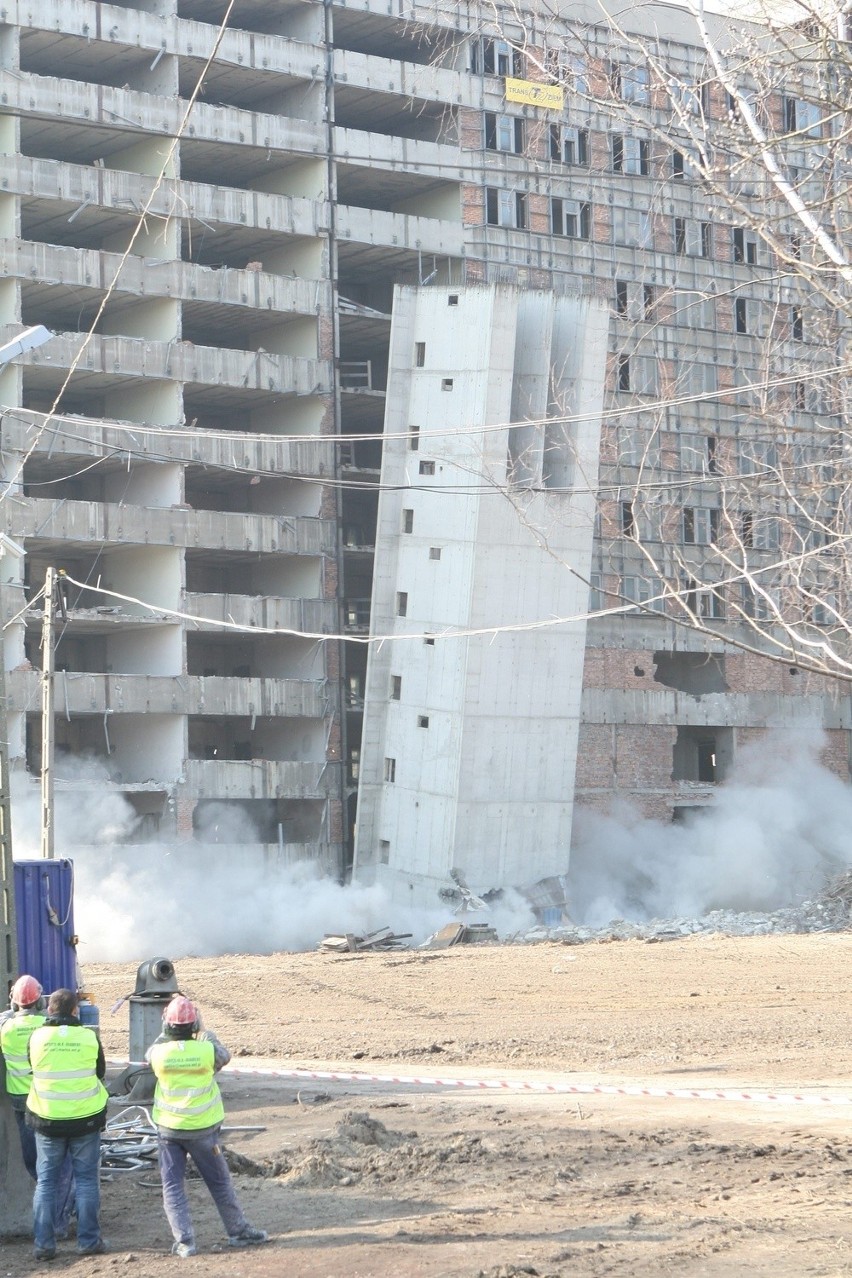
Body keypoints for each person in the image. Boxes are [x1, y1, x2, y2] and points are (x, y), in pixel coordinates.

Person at [146, 994, 268, 1258]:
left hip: (169, 1131)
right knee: (220, 1183)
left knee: (173, 1186)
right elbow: (223, 1055)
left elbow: (152, 1050)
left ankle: (184, 1242)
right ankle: (238, 1231)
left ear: (167, 1025)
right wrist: (206, 1032)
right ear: (194, 1024)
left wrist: (166, 1029)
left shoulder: (159, 1054)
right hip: (203, 1131)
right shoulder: (206, 1051)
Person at [26, 988, 108, 1261]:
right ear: (76, 1011)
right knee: (86, 1181)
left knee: (46, 1182)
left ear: (49, 1010)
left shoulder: (36, 1037)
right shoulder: (89, 1037)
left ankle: (44, 1245)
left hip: (47, 1119)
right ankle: (88, 1241)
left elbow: (32, 1066)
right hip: (85, 1120)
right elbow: (100, 1073)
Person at [0, 976, 75, 1235]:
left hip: (20, 1101)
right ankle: (63, 1201)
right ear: (40, 1001)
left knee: (33, 1161)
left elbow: (7, 1018)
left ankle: (54, 1204)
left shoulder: (4, 1026)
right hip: (46, 1100)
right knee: (56, 1159)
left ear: (14, 1001)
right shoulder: (46, 1025)